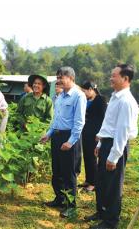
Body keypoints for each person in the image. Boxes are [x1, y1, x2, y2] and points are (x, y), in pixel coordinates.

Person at [87, 64, 139, 229]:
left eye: (114, 75)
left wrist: (114, 156)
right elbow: (109, 124)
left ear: (125, 79)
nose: (111, 78)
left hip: (117, 144)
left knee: (113, 185)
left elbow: (122, 131)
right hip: (107, 142)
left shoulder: (126, 101)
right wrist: (101, 143)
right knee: (102, 181)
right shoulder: (115, 97)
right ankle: (101, 213)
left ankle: (111, 222)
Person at [40, 66, 86, 218]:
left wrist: (71, 141)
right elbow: (56, 119)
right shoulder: (60, 97)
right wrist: (49, 134)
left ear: (71, 78)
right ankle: (59, 199)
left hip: (70, 137)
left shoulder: (78, 96)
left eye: (62, 77)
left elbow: (79, 122)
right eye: (57, 77)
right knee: (57, 170)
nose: (58, 80)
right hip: (57, 136)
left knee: (69, 173)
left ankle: (71, 205)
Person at [80, 81, 107, 192]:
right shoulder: (86, 100)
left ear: (91, 89)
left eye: (85, 91)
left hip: (95, 133)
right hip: (86, 132)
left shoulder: (101, 100)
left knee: (92, 157)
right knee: (86, 156)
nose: (84, 93)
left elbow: (104, 118)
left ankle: (94, 183)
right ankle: (88, 179)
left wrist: (101, 134)